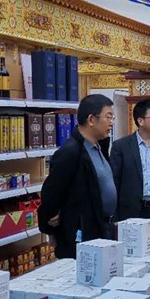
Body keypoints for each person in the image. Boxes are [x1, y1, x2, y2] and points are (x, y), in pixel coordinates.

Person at [37, 94, 117, 259]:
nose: (111, 122)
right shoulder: (71, 152)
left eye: (113, 118)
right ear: (91, 119)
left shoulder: (99, 146)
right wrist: (52, 228)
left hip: (101, 227)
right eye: (108, 117)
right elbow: (51, 193)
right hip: (81, 234)